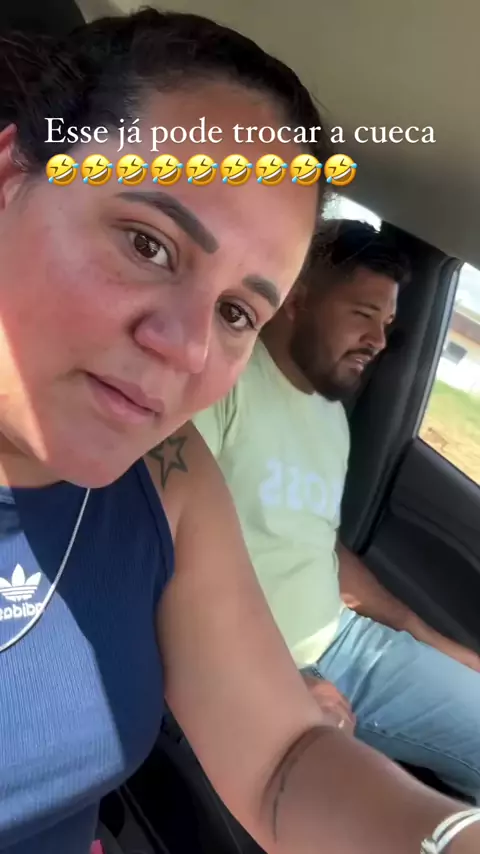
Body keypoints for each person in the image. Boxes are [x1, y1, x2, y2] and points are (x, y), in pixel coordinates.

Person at [0, 10, 479, 854]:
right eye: (148, 244)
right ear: (10, 177)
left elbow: (280, 759)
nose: (187, 348)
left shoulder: (167, 476)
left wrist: (446, 838)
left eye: (235, 313)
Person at [194, 217, 480, 806]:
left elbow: (320, 544)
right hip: (252, 659)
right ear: (297, 299)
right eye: (363, 314)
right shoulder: (223, 385)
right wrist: (283, 676)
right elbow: (167, 551)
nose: (378, 340)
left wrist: (424, 634)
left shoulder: (331, 417)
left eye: (387, 324)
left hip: (346, 642)